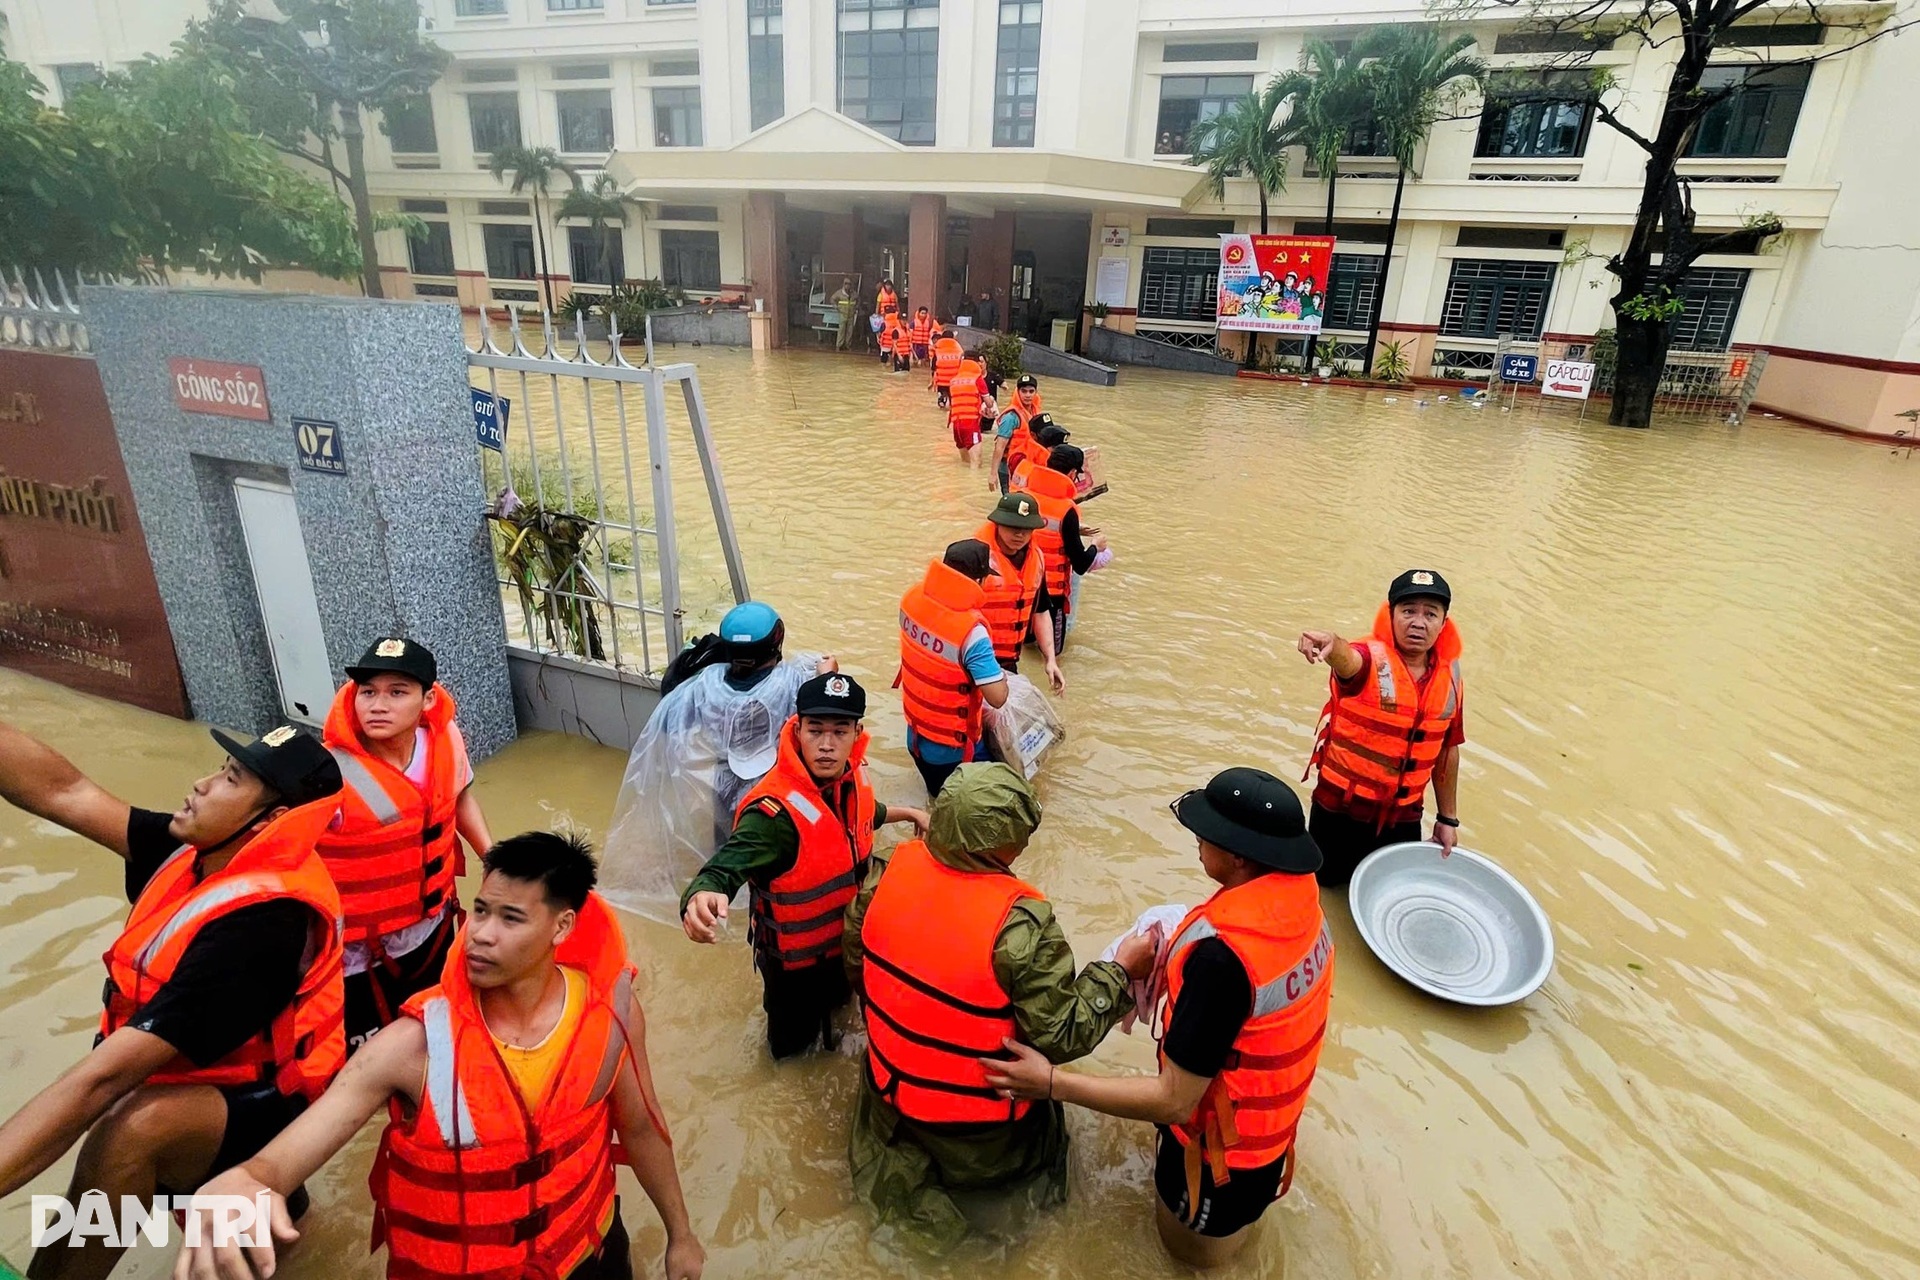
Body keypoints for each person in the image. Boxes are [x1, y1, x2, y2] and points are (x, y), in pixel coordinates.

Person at [173, 833, 705, 1280]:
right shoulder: (414, 1044)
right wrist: (249, 1179)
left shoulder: (611, 1013)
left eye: (511, 919)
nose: (481, 936)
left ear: (561, 928)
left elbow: (639, 1126)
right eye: (480, 911)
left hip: (589, 1256)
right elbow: (290, 1152)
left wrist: (681, 1234)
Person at [0, 721, 346, 1280]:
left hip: (262, 1107)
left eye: (231, 779)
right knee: (264, 1250)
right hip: (201, 1078)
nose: (202, 784)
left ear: (274, 819)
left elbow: (101, 1080)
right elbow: (66, 792)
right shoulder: (193, 854)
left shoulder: (263, 928)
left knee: (129, 1130)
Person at [984, 768, 1332, 1268]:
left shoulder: (1221, 962)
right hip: (1268, 1136)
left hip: (1216, 1160)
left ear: (1238, 856)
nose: (1196, 840)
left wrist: (1053, 1081)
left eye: (1206, 834)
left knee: (1185, 1261)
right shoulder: (1303, 905)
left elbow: (1172, 1101)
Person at [843, 763, 1154, 1255]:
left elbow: (858, 970)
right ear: (997, 846)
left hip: (888, 1103)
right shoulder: (1019, 927)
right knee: (1014, 1229)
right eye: (1019, 838)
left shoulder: (883, 876)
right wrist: (1119, 969)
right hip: (981, 1139)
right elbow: (1061, 1036)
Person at [679, 674, 928, 1060]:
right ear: (797, 730)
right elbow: (725, 867)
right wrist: (701, 894)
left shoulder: (852, 779)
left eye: (839, 731)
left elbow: (863, 817)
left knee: (841, 1022)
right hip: (793, 973)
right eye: (815, 731)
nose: (827, 745)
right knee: (790, 1055)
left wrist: (909, 812)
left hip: (845, 947)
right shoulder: (773, 815)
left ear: (857, 732)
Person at [600, 601, 838, 919]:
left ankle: (719, 893)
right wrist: (827, 675)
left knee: (725, 841)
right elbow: (823, 706)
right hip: (771, 787)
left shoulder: (705, 683)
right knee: (768, 849)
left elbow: (673, 721)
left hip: (723, 782)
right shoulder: (790, 681)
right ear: (777, 640)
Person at [321, 637, 494, 1052]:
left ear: (428, 698)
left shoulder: (444, 739)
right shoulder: (323, 774)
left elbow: (460, 796)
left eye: (397, 692)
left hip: (433, 930)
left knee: (442, 1037)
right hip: (358, 957)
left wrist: (492, 855)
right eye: (368, 692)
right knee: (366, 1066)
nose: (378, 705)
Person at [1297, 569, 1465, 887]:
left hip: (1403, 819)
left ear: (1444, 624)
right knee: (1321, 891)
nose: (1418, 622)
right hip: (1339, 814)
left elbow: (1447, 750)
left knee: (1386, 894)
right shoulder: (1367, 658)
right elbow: (1349, 660)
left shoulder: (1451, 676)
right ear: (1390, 615)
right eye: (1408, 611)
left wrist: (1447, 819)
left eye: (1431, 613)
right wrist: (1332, 646)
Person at [897, 540, 1011, 797]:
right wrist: (1001, 675)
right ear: (980, 581)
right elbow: (998, 698)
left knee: (937, 800)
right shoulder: (972, 632)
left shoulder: (912, 599)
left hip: (915, 737)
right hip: (952, 751)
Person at [1015, 444, 1109, 655]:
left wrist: (1073, 530)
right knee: (1051, 654)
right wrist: (1096, 546)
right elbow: (1081, 564)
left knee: (1024, 646)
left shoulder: (1024, 496)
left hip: (1024, 586)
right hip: (1051, 596)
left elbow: (1038, 530)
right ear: (1073, 473)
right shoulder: (1067, 509)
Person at [974, 493, 1065, 692]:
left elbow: (1040, 611)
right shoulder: (973, 557)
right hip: (975, 662)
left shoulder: (1037, 559)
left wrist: (1050, 660)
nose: (1019, 535)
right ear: (997, 523)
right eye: (1013, 528)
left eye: (1026, 530)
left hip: (1008, 663)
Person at [988, 375, 1045, 494]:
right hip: (1008, 468)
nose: (1028, 395)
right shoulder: (1011, 417)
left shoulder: (1036, 412)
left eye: (1031, 391)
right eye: (1023, 391)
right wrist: (993, 474)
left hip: (1027, 467)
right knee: (1012, 503)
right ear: (1017, 392)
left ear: (1036, 393)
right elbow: (999, 446)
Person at [947, 357, 986, 460]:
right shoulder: (977, 378)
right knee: (976, 462)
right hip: (971, 424)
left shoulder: (953, 380)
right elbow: (989, 403)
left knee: (965, 461)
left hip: (956, 425)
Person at [930, 329, 964, 408]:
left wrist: (932, 381)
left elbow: (933, 367)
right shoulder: (959, 351)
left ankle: (942, 401)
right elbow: (962, 366)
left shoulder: (938, 350)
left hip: (941, 382)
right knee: (953, 404)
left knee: (941, 405)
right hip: (954, 382)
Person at [833, 280, 858, 350]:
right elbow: (832, 299)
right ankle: (839, 345)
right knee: (841, 330)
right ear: (843, 285)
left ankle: (848, 345)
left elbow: (858, 299)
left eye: (849, 284)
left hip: (851, 314)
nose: (847, 286)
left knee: (850, 331)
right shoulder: (839, 293)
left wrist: (856, 307)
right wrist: (836, 307)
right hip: (842, 313)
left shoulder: (854, 293)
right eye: (846, 284)